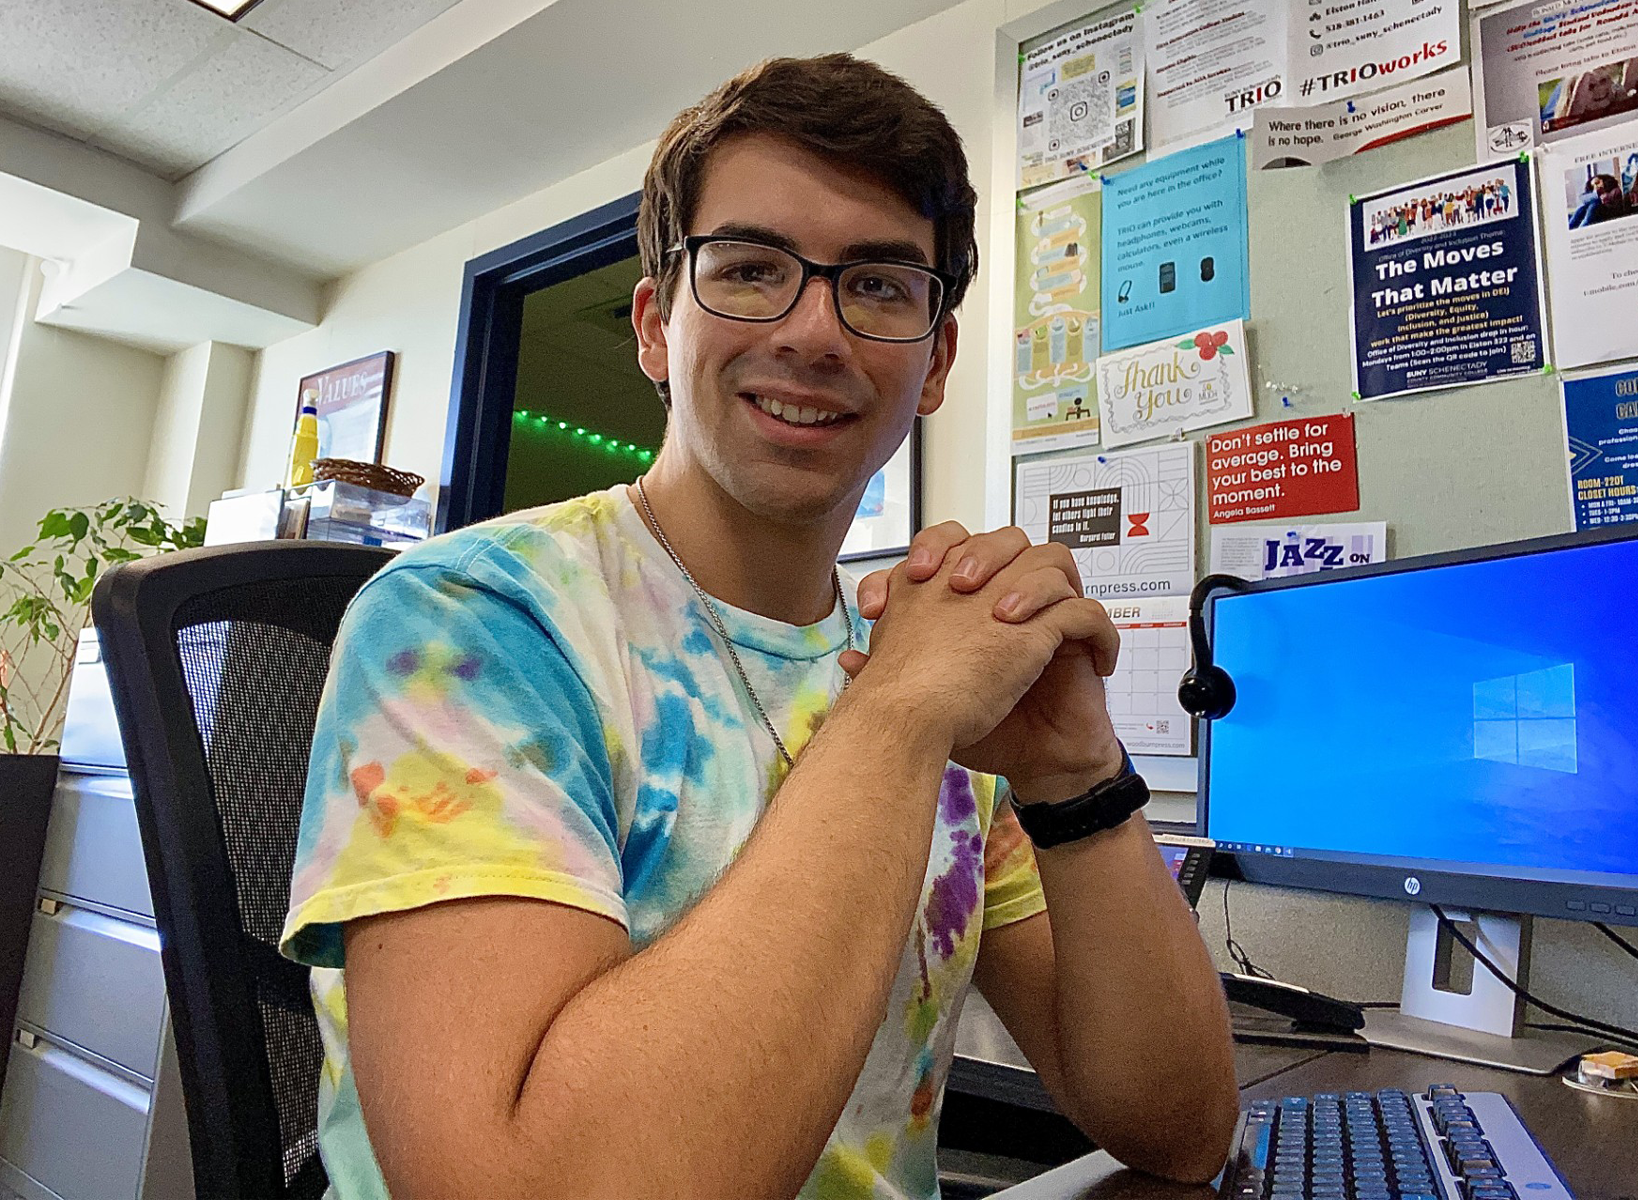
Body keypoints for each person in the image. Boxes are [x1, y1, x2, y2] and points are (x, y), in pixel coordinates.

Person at [279, 53, 1237, 1200]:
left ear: (934, 362)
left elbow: (1180, 1130)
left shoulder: (943, 676)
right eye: (749, 267)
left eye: (880, 284)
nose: (817, 330)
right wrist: (896, 716)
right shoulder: (470, 622)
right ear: (653, 327)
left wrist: (1078, 772)